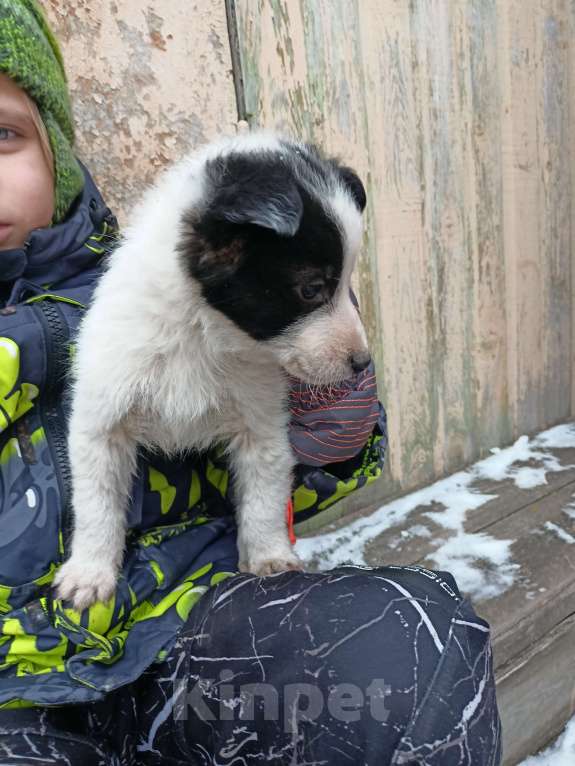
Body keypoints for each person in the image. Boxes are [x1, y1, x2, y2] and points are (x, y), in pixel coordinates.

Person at [0, 2, 503, 764]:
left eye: (4, 134)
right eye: (314, 289)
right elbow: (103, 432)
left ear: (57, 150)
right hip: (22, 688)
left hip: (201, 629)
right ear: (222, 245)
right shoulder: (150, 306)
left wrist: (278, 525)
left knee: (411, 646)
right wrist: (93, 554)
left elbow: (272, 444)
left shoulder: (161, 290)